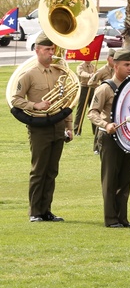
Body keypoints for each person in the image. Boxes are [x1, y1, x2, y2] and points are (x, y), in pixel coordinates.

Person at [10, 32, 74, 222]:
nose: (51, 53)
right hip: (39, 128)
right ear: (37, 50)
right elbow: (15, 99)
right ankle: (35, 211)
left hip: (58, 125)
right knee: (39, 170)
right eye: (47, 49)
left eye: (52, 49)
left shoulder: (60, 73)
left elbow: (67, 101)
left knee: (52, 170)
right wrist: (34, 105)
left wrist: (68, 126)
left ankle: (46, 210)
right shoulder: (29, 74)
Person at [88, 49, 130, 228]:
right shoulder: (105, 88)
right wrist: (105, 124)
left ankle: (122, 217)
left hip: (128, 137)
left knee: (125, 179)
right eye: (126, 65)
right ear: (116, 66)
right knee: (110, 179)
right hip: (109, 137)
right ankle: (111, 219)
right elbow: (92, 112)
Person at [89, 49, 115, 153]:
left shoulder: (117, 70)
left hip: (113, 98)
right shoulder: (102, 70)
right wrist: (100, 88)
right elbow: (91, 82)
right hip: (103, 98)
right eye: (113, 58)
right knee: (101, 122)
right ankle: (97, 147)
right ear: (109, 58)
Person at [73, 56, 96, 135]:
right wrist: (89, 75)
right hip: (84, 89)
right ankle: (77, 130)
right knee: (81, 110)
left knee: (94, 110)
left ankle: (95, 130)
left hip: (92, 89)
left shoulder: (93, 66)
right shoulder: (80, 66)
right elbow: (81, 73)